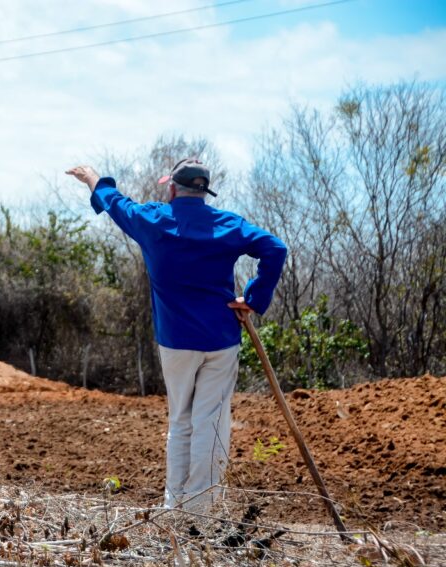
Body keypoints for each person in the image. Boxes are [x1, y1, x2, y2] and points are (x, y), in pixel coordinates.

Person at [67, 159, 287, 513]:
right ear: (203, 192)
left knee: (180, 420)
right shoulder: (227, 224)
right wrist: (255, 298)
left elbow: (115, 202)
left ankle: (175, 508)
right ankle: (202, 511)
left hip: (175, 342)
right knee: (210, 422)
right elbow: (275, 249)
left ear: (172, 188)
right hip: (220, 339)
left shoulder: (154, 221)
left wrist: (91, 177)